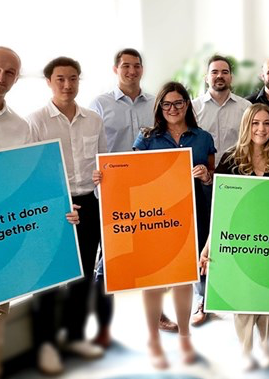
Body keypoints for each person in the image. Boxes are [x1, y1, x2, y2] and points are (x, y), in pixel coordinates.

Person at [0, 46, 79, 379]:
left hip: (3, 233)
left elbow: (29, 182)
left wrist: (60, 212)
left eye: (10, 72)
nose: (1, 78)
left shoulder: (19, 125)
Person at [96, 81, 214, 369]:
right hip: (155, 218)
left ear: (187, 104)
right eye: (167, 104)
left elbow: (213, 174)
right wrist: (105, 179)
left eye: (179, 103)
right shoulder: (147, 137)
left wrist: (206, 175)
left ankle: (185, 338)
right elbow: (131, 176)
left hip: (190, 214)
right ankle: (153, 341)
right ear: (160, 107)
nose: (173, 109)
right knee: (155, 279)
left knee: (185, 276)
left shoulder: (203, 137)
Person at [198, 103, 269, 371]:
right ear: (247, 125)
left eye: (266, 123)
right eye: (255, 123)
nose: (261, 128)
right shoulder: (230, 160)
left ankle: (266, 344)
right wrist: (209, 245)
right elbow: (220, 208)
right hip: (241, 242)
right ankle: (245, 350)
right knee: (243, 296)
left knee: (268, 297)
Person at [89, 48, 179, 343]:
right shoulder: (99, 105)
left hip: (150, 191)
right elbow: (93, 148)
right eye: (126, 66)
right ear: (115, 69)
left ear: (142, 69)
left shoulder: (156, 103)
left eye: (137, 66)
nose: (132, 71)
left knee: (153, 257)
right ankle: (103, 324)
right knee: (108, 260)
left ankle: (158, 314)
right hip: (114, 191)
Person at [27, 56, 108, 375]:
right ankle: (45, 344)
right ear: (48, 82)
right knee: (47, 279)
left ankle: (74, 336)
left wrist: (103, 176)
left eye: (73, 78)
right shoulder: (35, 121)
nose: (67, 84)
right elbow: (32, 170)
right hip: (53, 207)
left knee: (84, 275)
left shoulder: (93, 119)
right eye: (60, 79)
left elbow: (102, 162)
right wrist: (57, 204)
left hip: (89, 204)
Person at [192, 54, 250, 325]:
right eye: (214, 72)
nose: (219, 76)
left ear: (231, 77)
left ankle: (235, 293)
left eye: (225, 72)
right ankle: (202, 301)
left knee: (234, 236)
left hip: (237, 181)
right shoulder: (192, 108)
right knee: (203, 237)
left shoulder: (246, 107)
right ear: (206, 77)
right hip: (202, 183)